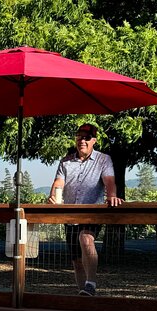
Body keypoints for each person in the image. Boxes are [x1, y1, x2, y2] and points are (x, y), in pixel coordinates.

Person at [48, 123, 123, 296]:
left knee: (86, 238)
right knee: (76, 259)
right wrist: (53, 196)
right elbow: (58, 183)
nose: (82, 140)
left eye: (87, 137)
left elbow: (109, 181)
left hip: (92, 213)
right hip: (70, 215)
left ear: (94, 140)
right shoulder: (65, 161)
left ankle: (91, 284)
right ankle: (83, 295)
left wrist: (112, 196)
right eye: (79, 137)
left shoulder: (103, 159)